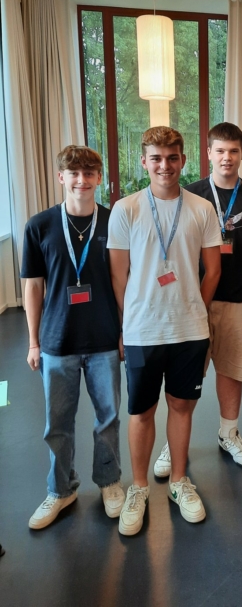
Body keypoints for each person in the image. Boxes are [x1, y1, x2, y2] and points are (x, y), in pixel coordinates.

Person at [108, 126, 221, 536]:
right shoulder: (126, 209)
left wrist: (195, 310)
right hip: (143, 331)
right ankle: (138, 488)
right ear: (144, 161)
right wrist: (129, 321)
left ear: (183, 160)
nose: (165, 165)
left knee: (181, 406)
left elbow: (213, 270)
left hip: (189, 330)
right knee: (141, 411)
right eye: (156, 158)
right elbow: (118, 275)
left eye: (172, 157)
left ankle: (178, 480)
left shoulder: (202, 209)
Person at [22, 145, 123, 530]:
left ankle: (109, 482)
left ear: (99, 178)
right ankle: (61, 489)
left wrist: (124, 333)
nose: (82, 180)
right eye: (74, 173)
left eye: (89, 173)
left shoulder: (114, 222)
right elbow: (33, 287)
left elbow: (121, 281)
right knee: (58, 424)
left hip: (104, 339)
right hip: (57, 340)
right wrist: (33, 342)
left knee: (108, 419)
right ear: (61, 177)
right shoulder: (40, 225)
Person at [153, 123, 242, 478]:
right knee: (184, 376)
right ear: (209, 153)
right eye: (220, 151)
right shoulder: (188, 196)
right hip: (191, 300)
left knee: (231, 370)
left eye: (233, 151)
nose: (227, 157)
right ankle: (174, 443)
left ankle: (228, 433)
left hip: (239, 300)